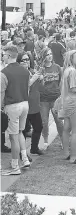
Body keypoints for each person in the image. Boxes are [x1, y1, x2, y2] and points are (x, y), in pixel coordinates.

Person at [1, 45, 31, 175]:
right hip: (25, 103)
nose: (2, 56)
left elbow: (1, 93)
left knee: (13, 137)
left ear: (8, 56)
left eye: (3, 54)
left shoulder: (4, 73)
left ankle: (15, 166)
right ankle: (24, 159)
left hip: (12, 105)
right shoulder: (25, 71)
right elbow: (27, 89)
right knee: (19, 132)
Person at [16, 52, 44, 155]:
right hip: (23, 104)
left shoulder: (32, 71)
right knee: (22, 130)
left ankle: (34, 148)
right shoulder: (18, 73)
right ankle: (22, 153)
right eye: (23, 60)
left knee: (38, 127)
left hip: (34, 104)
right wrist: (34, 78)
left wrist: (41, 79)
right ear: (18, 62)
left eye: (27, 59)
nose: (26, 61)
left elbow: (41, 87)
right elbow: (24, 87)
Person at [39, 47, 64, 150]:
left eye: (50, 54)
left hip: (55, 98)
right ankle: (45, 141)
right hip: (43, 99)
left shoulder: (57, 67)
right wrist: (41, 80)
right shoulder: (40, 69)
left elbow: (61, 82)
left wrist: (61, 95)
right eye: (47, 54)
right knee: (44, 122)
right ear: (43, 57)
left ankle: (63, 140)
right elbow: (38, 85)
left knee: (59, 121)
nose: (49, 56)